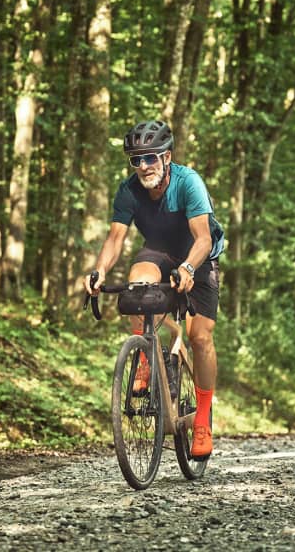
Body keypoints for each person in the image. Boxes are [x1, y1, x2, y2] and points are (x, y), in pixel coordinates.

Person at [86, 119, 225, 460]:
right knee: (136, 291)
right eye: (137, 159)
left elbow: (203, 238)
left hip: (199, 254)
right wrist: (100, 271)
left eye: (151, 157)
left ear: (167, 157)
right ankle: (148, 354)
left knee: (200, 337)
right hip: (160, 249)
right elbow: (115, 238)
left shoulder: (187, 182)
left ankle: (203, 418)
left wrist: (189, 268)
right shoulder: (129, 190)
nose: (144, 165)